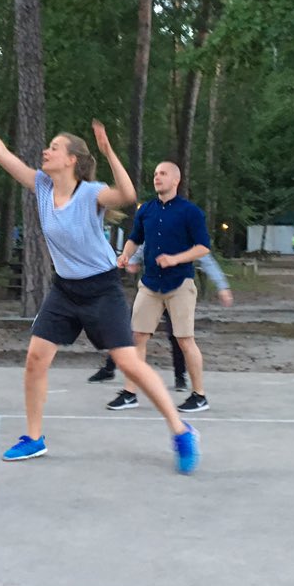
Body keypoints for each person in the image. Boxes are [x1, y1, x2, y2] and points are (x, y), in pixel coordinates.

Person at [0, 82, 200, 474]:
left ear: (72, 160)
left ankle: (181, 430)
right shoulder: (42, 186)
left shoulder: (91, 193)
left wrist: (108, 150)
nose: (45, 151)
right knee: (35, 359)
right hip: (65, 290)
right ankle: (34, 438)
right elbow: (0, 153)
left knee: (129, 364)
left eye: (54, 147)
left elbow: (128, 194)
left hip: (101, 289)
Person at [104, 162, 213, 413]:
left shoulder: (190, 212)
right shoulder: (146, 210)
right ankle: (130, 393)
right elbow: (135, 238)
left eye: (162, 174)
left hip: (180, 284)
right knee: (136, 338)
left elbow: (203, 247)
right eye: (154, 174)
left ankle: (199, 395)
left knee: (185, 340)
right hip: (150, 283)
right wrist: (126, 256)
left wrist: (175, 259)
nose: (157, 177)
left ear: (176, 180)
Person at [88, 247, 233, 391]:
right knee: (130, 331)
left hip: (177, 289)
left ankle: (180, 376)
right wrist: (132, 260)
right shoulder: (155, 226)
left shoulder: (188, 233)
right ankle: (109, 369)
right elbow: (144, 245)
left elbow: (206, 259)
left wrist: (222, 286)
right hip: (151, 288)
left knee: (179, 335)